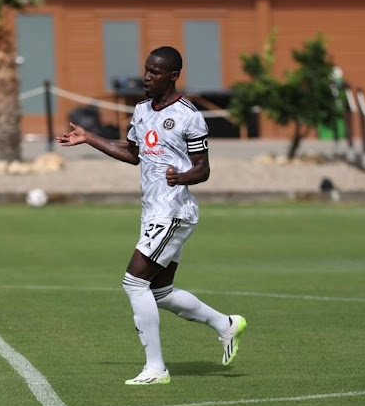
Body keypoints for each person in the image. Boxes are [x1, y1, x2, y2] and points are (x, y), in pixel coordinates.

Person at [56, 46, 246, 385]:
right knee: (161, 292)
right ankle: (225, 324)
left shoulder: (190, 115)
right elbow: (132, 154)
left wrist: (181, 177)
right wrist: (88, 138)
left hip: (174, 211)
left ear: (172, 76)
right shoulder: (142, 110)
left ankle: (156, 368)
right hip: (153, 212)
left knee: (133, 282)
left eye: (155, 72)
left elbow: (202, 170)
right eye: (146, 69)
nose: (147, 76)